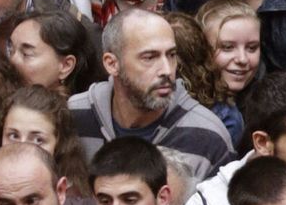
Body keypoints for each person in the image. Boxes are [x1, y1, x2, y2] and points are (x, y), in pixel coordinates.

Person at [67, 10, 233, 172]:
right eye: (149, 57)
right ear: (112, 64)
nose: (167, 70)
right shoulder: (75, 116)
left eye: (171, 55)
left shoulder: (207, 135)